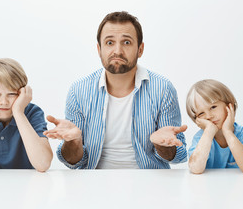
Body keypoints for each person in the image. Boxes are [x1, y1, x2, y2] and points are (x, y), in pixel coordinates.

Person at [44, 11, 187, 169]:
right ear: (99, 49)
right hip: (93, 184)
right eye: (110, 43)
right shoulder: (79, 91)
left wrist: (163, 145)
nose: (117, 51)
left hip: (149, 183)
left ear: (140, 49)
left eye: (126, 42)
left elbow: (178, 156)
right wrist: (74, 142)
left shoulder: (163, 89)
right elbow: (73, 161)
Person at [186, 79, 243, 174]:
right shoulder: (201, 138)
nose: (209, 116)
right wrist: (209, 131)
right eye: (201, 113)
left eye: (213, 107)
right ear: (197, 120)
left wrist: (228, 132)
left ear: (230, 106)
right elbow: (195, 169)